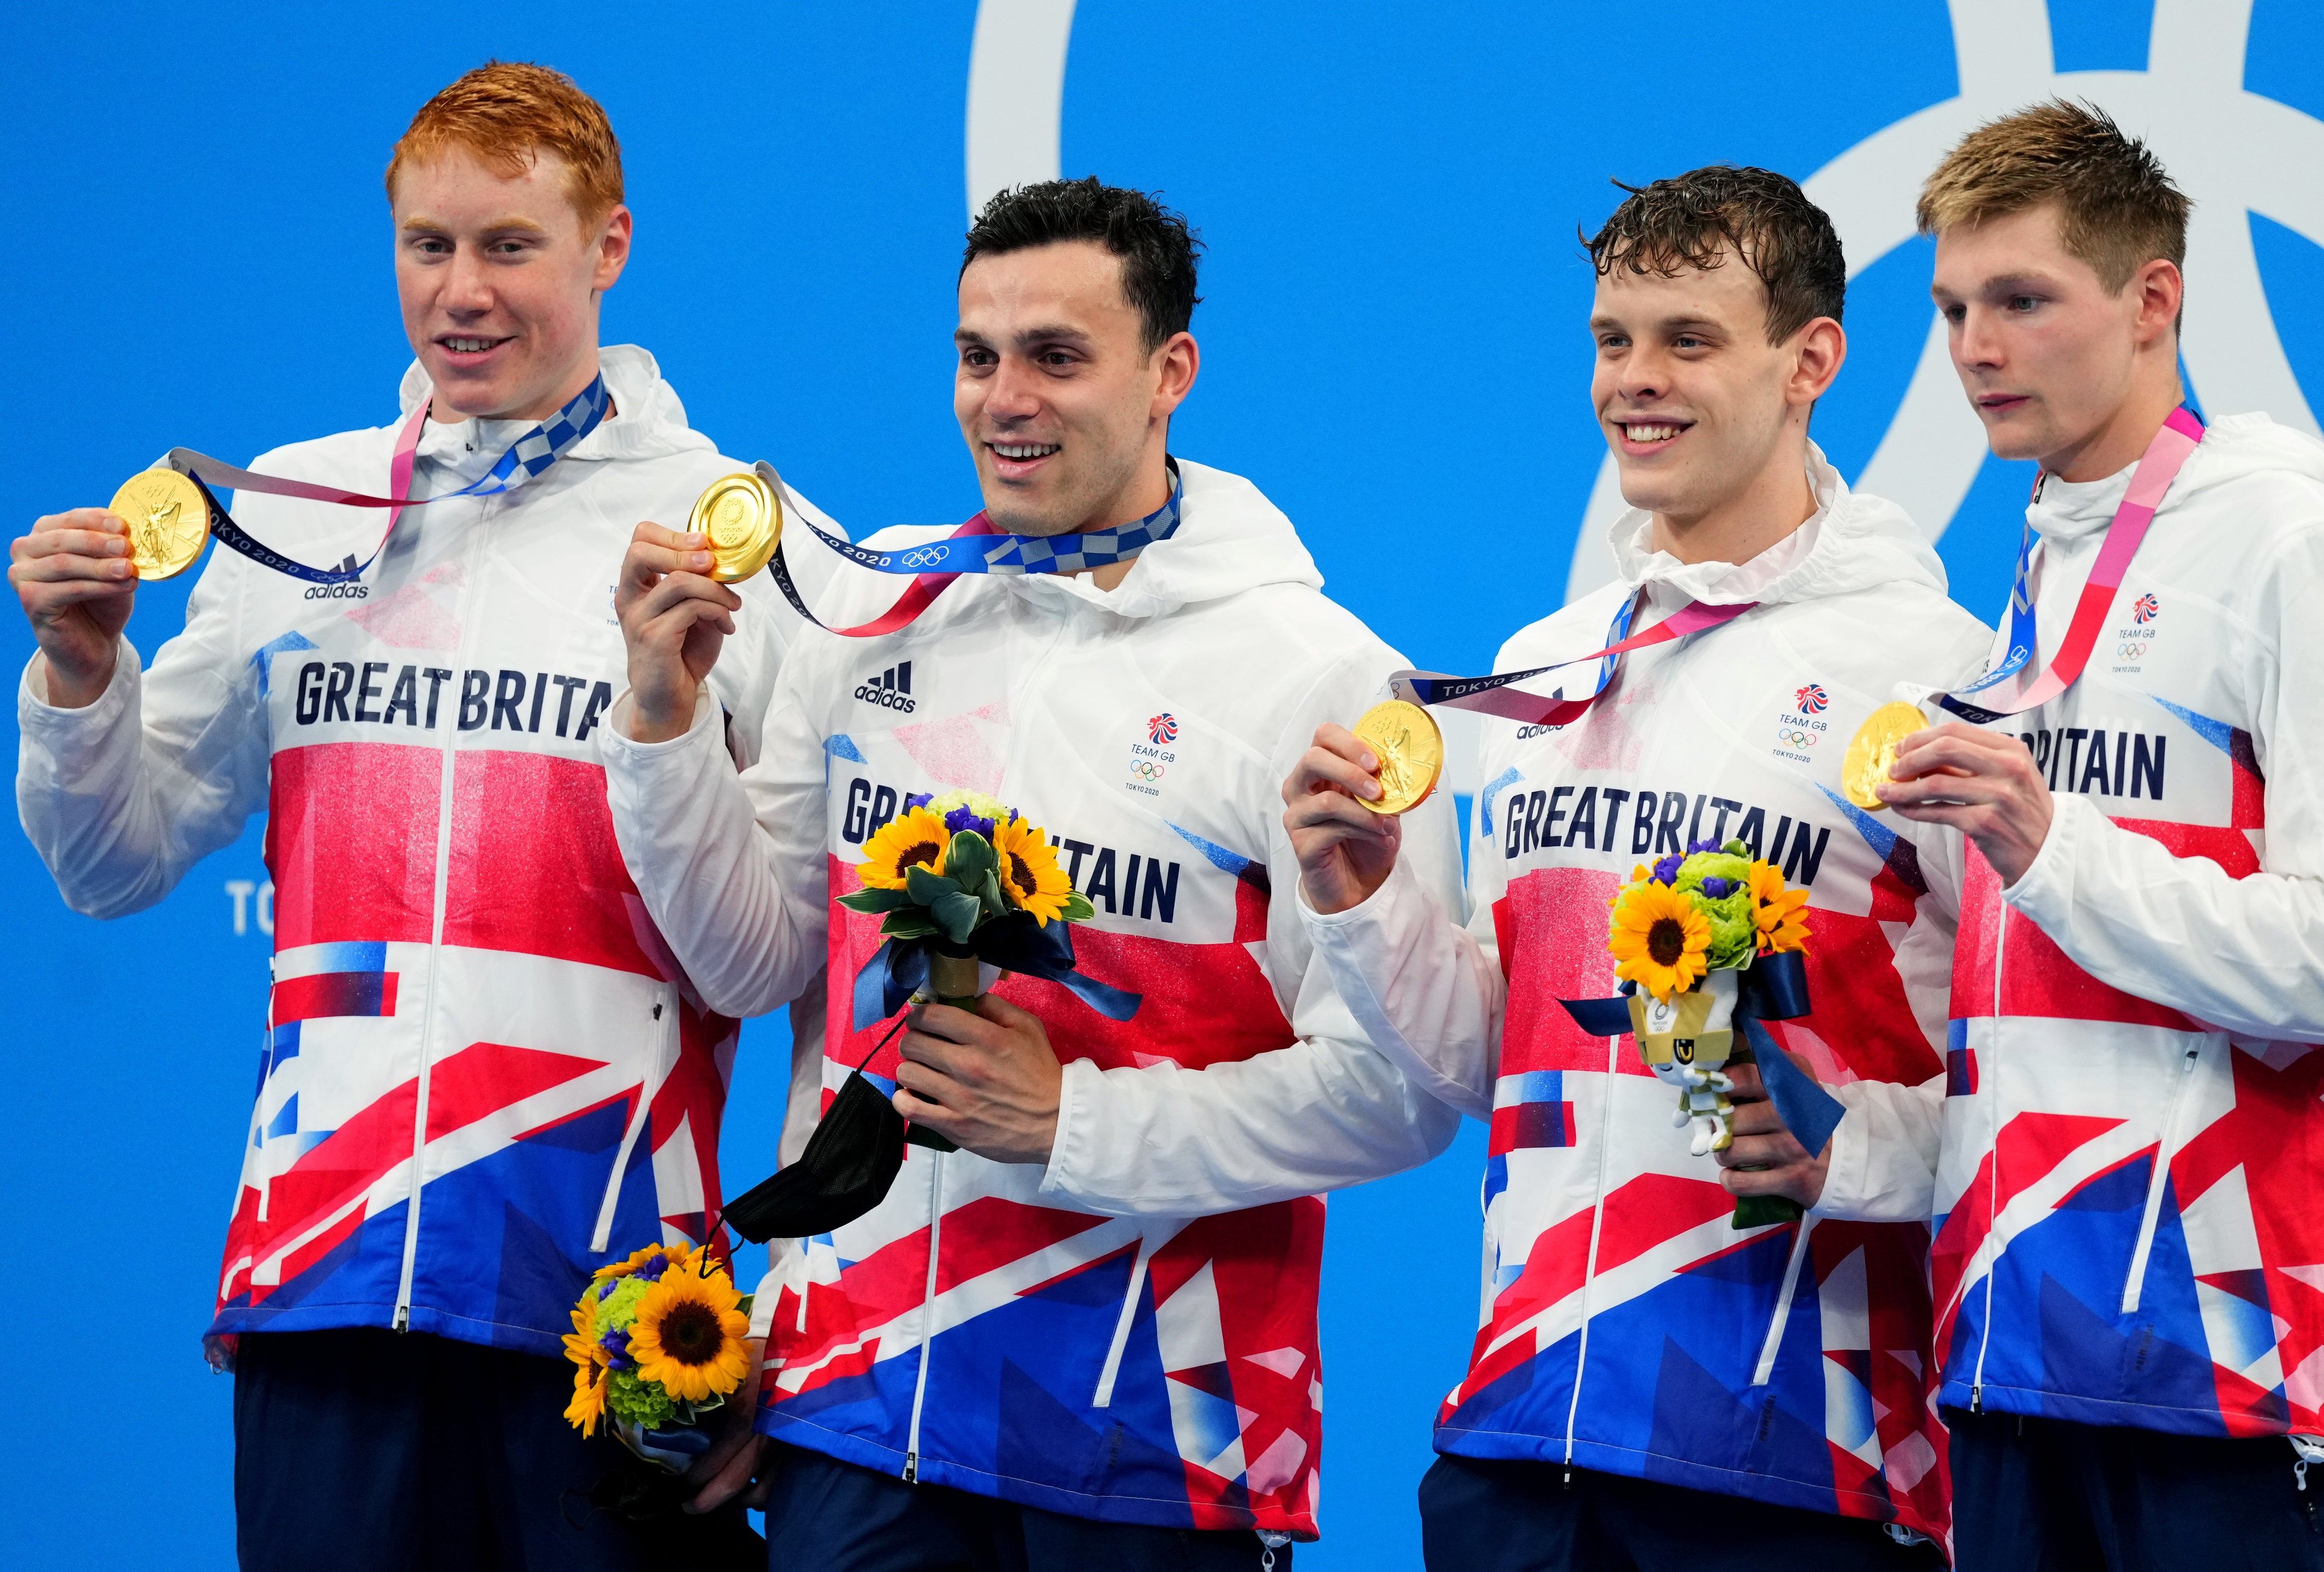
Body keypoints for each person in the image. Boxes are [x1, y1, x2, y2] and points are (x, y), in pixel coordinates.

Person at [598, 176, 1464, 1571]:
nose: (1006, 398)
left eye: (1057, 356)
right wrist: (660, 721)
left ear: (1169, 371)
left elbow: (1398, 1092)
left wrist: (1072, 1123)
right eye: (976, 355)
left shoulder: (1305, 673)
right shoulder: (874, 610)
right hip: (856, 1422)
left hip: (1148, 1447)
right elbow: (751, 967)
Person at [11, 62, 797, 1568]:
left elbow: (763, 967)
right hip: (327, 1265)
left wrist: (664, 714)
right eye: (426, 246)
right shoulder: (289, 513)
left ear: (607, 247)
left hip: (618, 1300)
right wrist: (80, 671)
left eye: (508, 246)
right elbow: (114, 865)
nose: (461, 294)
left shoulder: (730, 533)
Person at [1279, 167, 1991, 1568]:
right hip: (1516, 1434)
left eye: (1687, 339)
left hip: (1801, 1463)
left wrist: (1858, 1145)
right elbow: (1485, 1060)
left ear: (1812, 362)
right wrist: (1362, 898)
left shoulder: (1933, 675)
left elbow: (2032, 1075)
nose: (1634, 382)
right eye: (1612, 340)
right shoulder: (1552, 659)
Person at [1849, 100, 2324, 1569]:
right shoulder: (2036, 566)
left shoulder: (2296, 548)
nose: (1971, 349)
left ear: (2152, 300)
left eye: (2019, 301)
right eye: (1948, 307)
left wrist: (2056, 850)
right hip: (2013, 1356)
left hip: (2241, 1374)